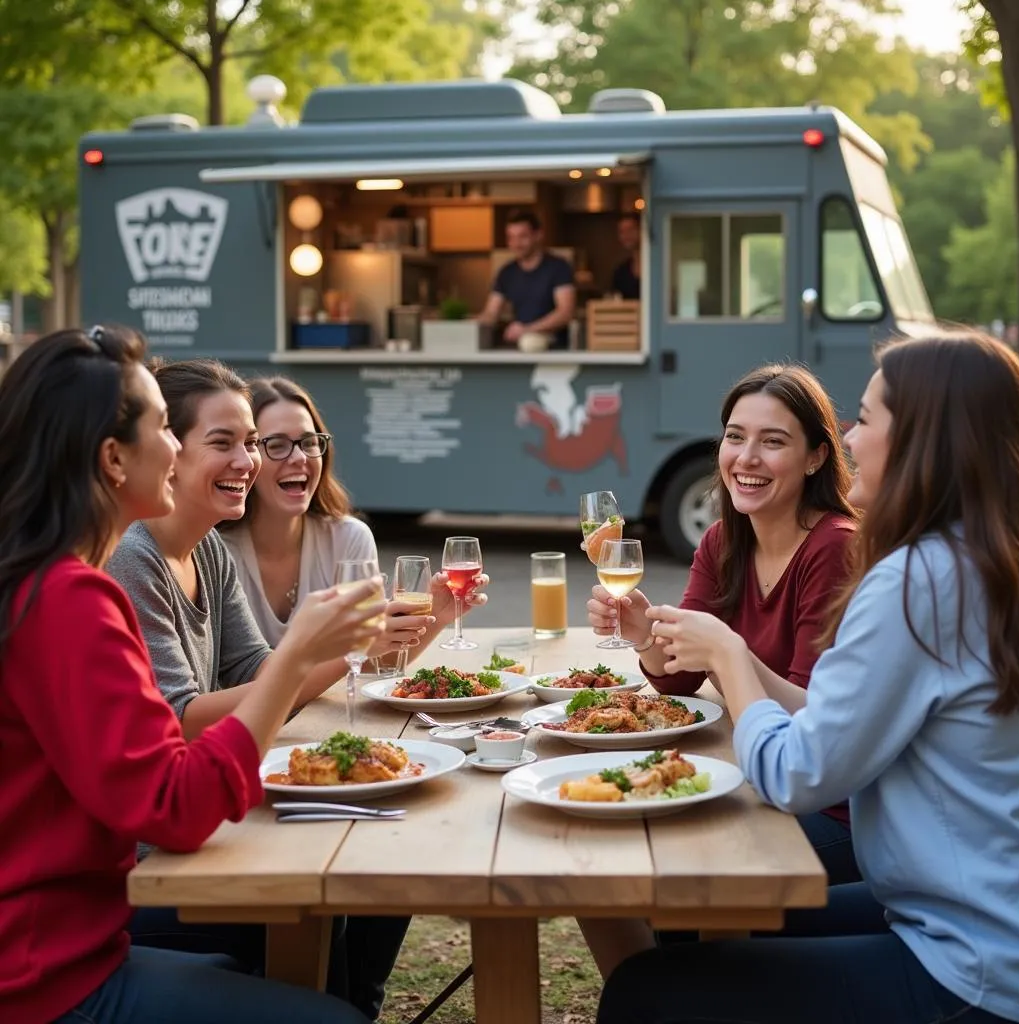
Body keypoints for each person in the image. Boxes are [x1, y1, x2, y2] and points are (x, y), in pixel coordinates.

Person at [599, 332, 1019, 1024]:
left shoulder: (917, 581)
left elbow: (799, 774)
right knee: (720, 925)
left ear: (924, 438)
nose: (853, 437)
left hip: (971, 962)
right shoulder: (982, 560)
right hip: (961, 909)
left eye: (868, 417)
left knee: (645, 992)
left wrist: (731, 659)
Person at [0, 325, 384, 1024]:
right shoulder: (71, 598)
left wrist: (313, 653)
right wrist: (297, 654)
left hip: (75, 950)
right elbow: (174, 810)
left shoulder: (47, 582)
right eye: (163, 429)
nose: (176, 447)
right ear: (114, 458)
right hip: (48, 983)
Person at [104, 359, 409, 1019]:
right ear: (170, 450)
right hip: (149, 868)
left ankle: (354, 1004)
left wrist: (353, 644)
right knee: (352, 882)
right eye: (226, 443)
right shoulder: (132, 559)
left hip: (204, 830)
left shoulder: (206, 549)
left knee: (390, 842)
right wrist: (312, 650)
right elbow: (182, 718)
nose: (249, 460)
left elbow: (255, 674)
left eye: (249, 442)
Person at [588, 364, 858, 887]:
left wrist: (727, 653)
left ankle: (675, 968)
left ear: (816, 457)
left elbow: (814, 713)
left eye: (773, 441)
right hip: (755, 769)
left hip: (832, 806)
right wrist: (646, 633)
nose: (747, 458)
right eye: (735, 437)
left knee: (665, 850)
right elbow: (679, 680)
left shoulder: (835, 547)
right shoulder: (721, 541)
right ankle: (656, 969)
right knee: (617, 830)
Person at [219, 375, 488, 661]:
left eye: (309, 442)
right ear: (248, 456)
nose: (299, 458)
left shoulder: (349, 539)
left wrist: (438, 615)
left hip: (331, 707)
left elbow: (371, 661)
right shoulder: (216, 551)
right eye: (276, 445)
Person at [479, 209, 575, 350]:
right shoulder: (507, 272)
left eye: (523, 237)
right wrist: (464, 326)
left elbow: (565, 312)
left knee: (530, 341)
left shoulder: (558, 267)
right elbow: (491, 313)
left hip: (554, 347)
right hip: (520, 347)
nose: (516, 244)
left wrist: (528, 329)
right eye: (511, 238)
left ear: (538, 235)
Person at [611, 213, 641, 300]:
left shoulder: (656, 270)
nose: (626, 236)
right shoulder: (621, 272)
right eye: (622, 232)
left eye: (630, 230)